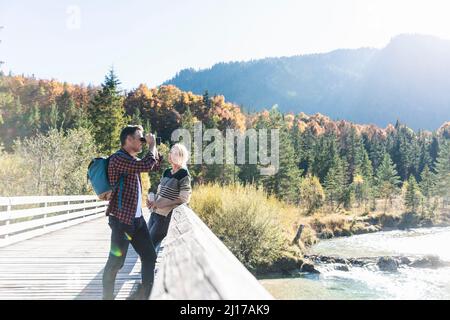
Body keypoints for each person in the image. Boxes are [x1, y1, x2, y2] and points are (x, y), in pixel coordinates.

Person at [102, 125, 162, 300]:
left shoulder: (131, 160)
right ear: (128, 139)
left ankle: (143, 297)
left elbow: (154, 166)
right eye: (139, 138)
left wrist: (154, 147)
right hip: (121, 221)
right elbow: (146, 164)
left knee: (149, 256)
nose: (142, 141)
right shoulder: (118, 159)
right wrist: (151, 147)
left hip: (136, 220)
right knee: (115, 263)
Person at [147, 143, 192, 249]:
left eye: (174, 153)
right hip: (154, 213)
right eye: (171, 151)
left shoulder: (183, 174)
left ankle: (148, 265)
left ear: (180, 157)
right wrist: (152, 203)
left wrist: (161, 204)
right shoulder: (167, 172)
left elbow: (184, 198)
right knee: (146, 246)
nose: (170, 154)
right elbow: (160, 192)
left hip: (165, 217)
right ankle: (149, 264)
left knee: (148, 248)